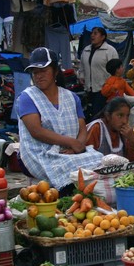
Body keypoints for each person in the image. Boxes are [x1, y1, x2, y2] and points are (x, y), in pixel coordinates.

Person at [17, 47, 103, 192]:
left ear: (55, 71)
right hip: (40, 153)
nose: (39, 76)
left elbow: (82, 128)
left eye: (43, 71)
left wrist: (77, 147)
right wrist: (71, 142)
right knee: (68, 167)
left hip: (71, 150)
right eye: (35, 72)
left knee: (101, 160)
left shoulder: (71, 97)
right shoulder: (26, 98)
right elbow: (36, 131)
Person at [85, 97, 134, 161]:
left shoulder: (125, 132)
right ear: (108, 116)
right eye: (120, 115)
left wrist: (133, 141)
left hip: (122, 169)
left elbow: (133, 160)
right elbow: (87, 158)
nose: (125, 121)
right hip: (98, 169)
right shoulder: (97, 128)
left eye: (127, 116)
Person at [80, 27, 117, 119]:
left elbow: (116, 69)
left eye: (95, 33)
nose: (92, 35)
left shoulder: (109, 50)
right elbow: (82, 67)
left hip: (104, 89)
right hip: (89, 89)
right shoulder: (86, 50)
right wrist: (81, 76)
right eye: (92, 33)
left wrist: (111, 85)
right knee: (89, 113)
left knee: (99, 114)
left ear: (103, 37)